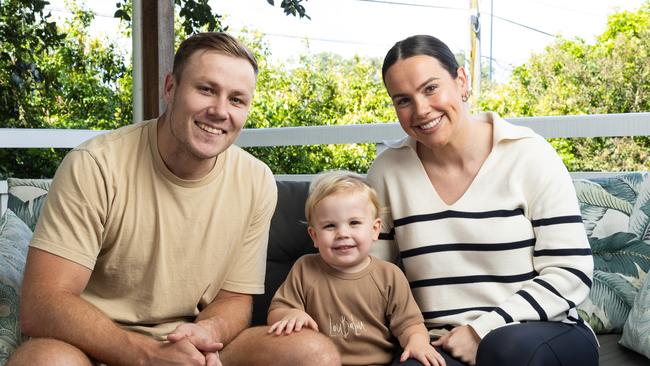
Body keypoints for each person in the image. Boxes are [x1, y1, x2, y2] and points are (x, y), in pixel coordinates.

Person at [8, 32, 339, 366]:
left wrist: (208, 331)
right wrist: (146, 355)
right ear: (170, 88)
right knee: (43, 362)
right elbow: (42, 303)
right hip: (95, 344)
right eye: (206, 89)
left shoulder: (256, 181)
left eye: (237, 100)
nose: (220, 111)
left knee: (313, 354)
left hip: (189, 345)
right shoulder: (96, 165)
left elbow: (235, 299)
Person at [366, 34, 599, 366]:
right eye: (403, 100)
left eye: (430, 88)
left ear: (461, 80)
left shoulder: (529, 155)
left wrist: (482, 330)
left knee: (507, 349)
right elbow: (374, 278)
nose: (420, 110)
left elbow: (571, 271)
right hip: (442, 344)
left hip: (541, 333)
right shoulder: (388, 171)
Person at [267, 171, 446, 366]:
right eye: (329, 226)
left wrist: (417, 342)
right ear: (314, 236)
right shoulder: (305, 269)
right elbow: (277, 311)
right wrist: (290, 314)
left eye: (354, 223)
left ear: (375, 229)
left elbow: (409, 325)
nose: (342, 233)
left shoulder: (389, 275)